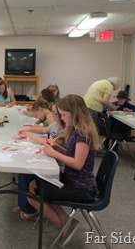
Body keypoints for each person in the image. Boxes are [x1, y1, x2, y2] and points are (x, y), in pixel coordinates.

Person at [27, 94, 99, 247]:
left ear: (75, 113)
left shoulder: (82, 134)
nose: (63, 119)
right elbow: (74, 156)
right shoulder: (75, 130)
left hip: (82, 188)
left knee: (33, 195)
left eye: (64, 115)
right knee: (34, 184)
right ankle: (67, 223)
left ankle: (64, 227)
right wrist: (58, 148)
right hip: (74, 180)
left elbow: (78, 164)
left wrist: (54, 153)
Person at [11, 102, 65, 221]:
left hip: (57, 168)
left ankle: (30, 209)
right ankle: (24, 205)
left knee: (28, 174)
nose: (53, 115)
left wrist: (29, 134)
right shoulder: (55, 125)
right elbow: (43, 130)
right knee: (24, 171)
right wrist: (28, 129)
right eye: (53, 113)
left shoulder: (64, 130)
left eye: (56, 113)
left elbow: (50, 143)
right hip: (52, 161)